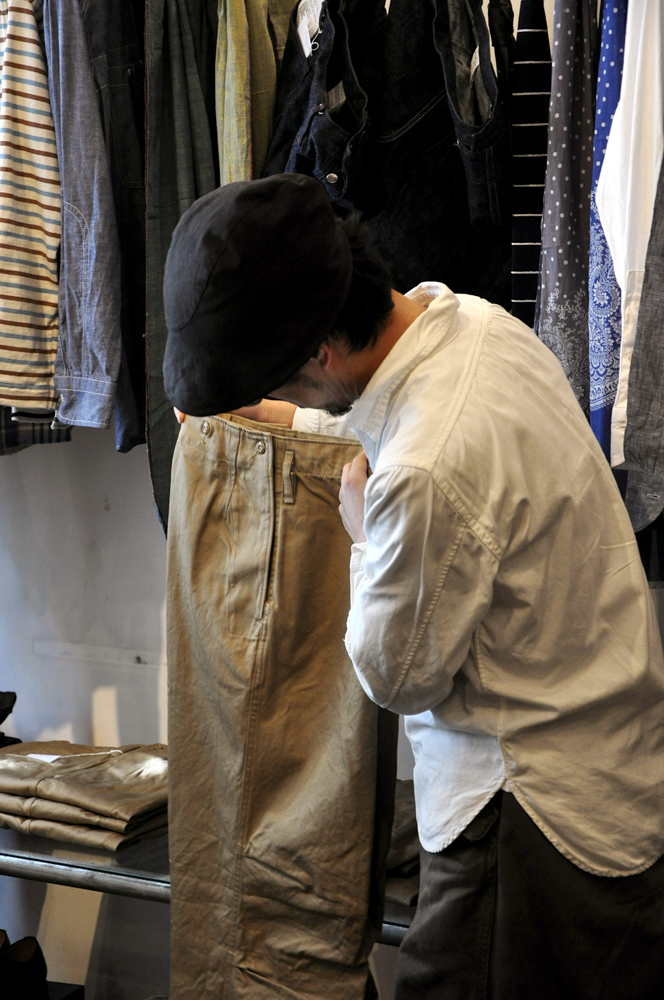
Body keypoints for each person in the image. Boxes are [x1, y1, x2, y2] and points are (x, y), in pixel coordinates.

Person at [163, 173, 664, 999]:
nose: (277, 396)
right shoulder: (477, 325)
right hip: (608, 774)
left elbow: (398, 676)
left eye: (278, 382)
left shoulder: (420, 473)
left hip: (525, 818)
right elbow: (394, 413)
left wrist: (363, 534)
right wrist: (287, 417)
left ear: (319, 354)